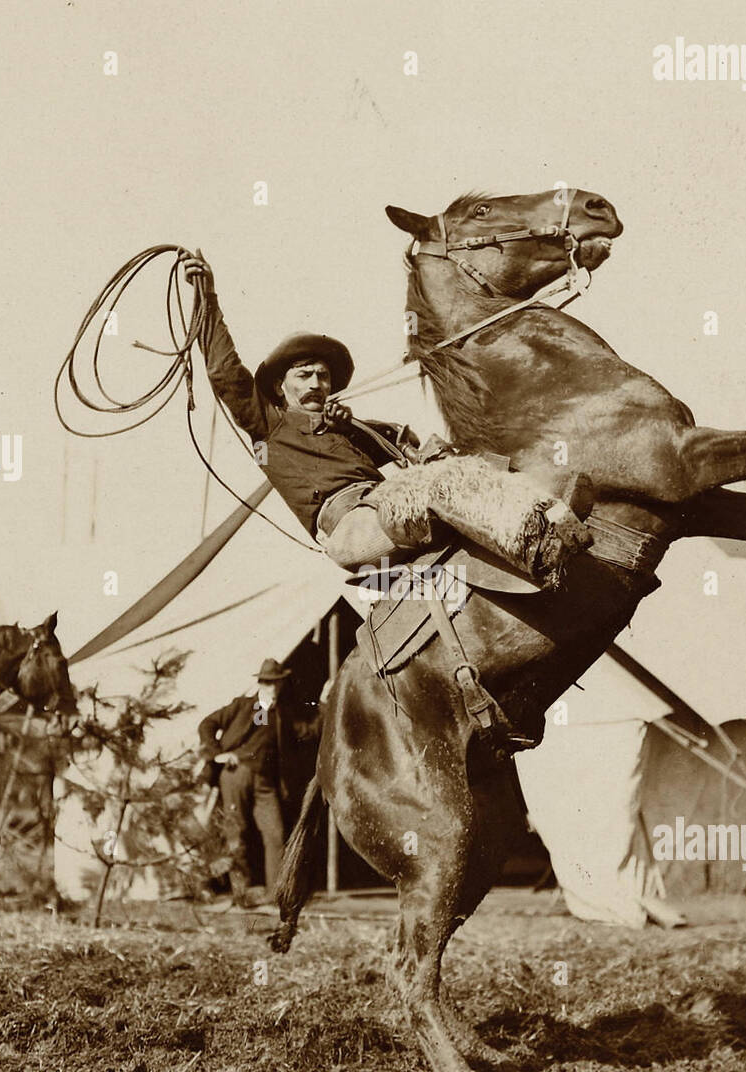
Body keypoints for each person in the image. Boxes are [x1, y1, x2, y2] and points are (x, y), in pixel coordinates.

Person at [181, 251, 591, 584]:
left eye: (323, 375)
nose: (316, 382)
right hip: (351, 530)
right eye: (304, 374)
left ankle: (548, 515)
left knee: (466, 463)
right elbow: (224, 372)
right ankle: (539, 542)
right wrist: (207, 298)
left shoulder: (352, 426)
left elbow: (408, 446)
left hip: (386, 511)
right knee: (444, 481)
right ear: (278, 387)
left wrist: (352, 427)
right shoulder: (268, 423)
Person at [197, 658, 300, 905]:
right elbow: (207, 724)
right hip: (236, 774)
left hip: (265, 782)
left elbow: (308, 729)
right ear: (260, 684)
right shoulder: (243, 706)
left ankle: (276, 896)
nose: (273, 689)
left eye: (277, 684)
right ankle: (240, 894)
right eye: (268, 684)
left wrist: (326, 702)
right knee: (236, 833)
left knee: (275, 833)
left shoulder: (282, 715)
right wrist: (217, 754)